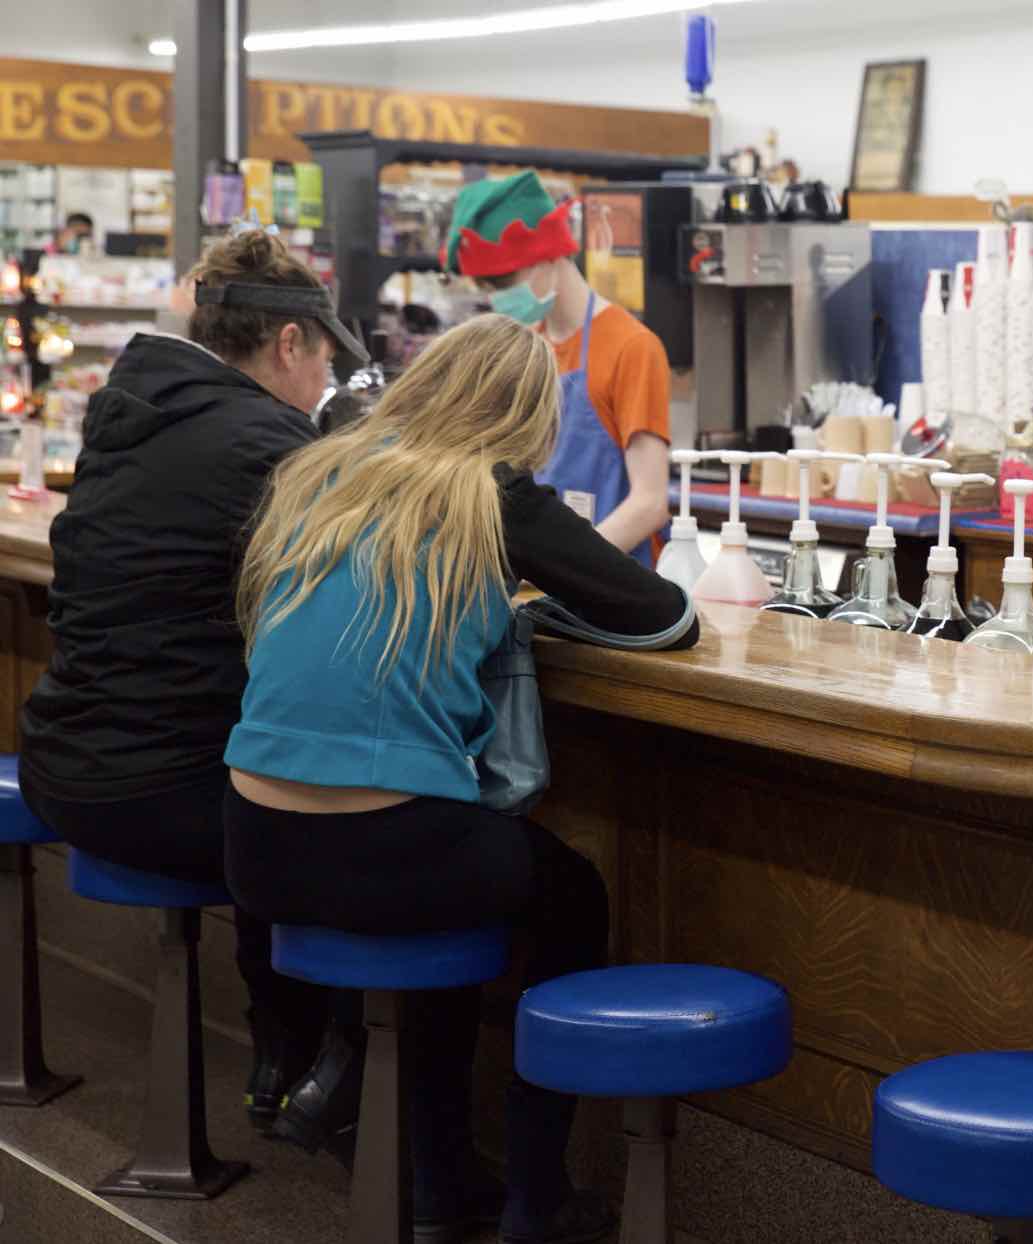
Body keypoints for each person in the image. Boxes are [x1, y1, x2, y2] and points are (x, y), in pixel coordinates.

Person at [222, 313, 697, 1244]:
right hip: (389, 844)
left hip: (252, 846)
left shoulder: (321, 471)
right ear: (525, 416)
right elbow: (664, 617)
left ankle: (438, 1181)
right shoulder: (491, 493)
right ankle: (535, 1196)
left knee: (447, 873)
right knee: (565, 892)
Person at [17, 228, 368, 1141]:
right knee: (314, 807)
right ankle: (340, 1081)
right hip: (159, 790)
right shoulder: (267, 440)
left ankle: (276, 1061)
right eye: (322, 359)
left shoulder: (126, 409)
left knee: (255, 778)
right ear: (288, 344)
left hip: (66, 759)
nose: (322, 383)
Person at [445, 171, 672, 564]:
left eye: (503, 282)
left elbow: (649, 503)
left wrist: (570, 570)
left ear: (549, 255)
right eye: (486, 288)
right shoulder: (525, 350)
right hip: (543, 581)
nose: (496, 298)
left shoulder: (632, 348)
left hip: (619, 583)